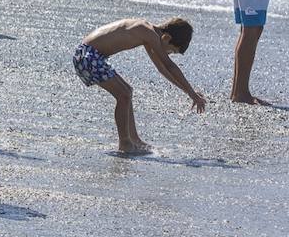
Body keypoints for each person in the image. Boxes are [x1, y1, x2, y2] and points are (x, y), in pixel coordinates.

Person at [72, 18, 206, 154]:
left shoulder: (148, 32)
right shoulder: (148, 33)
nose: (168, 54)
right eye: (171, 51)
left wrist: (189, 92)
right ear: (166, 38)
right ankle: (125, 143)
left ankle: (134, 139)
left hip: (90, 56)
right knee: (123, 95)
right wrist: (192, 94)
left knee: (127, 91)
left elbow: (162, 69)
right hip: (88, 56)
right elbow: (169, 65)